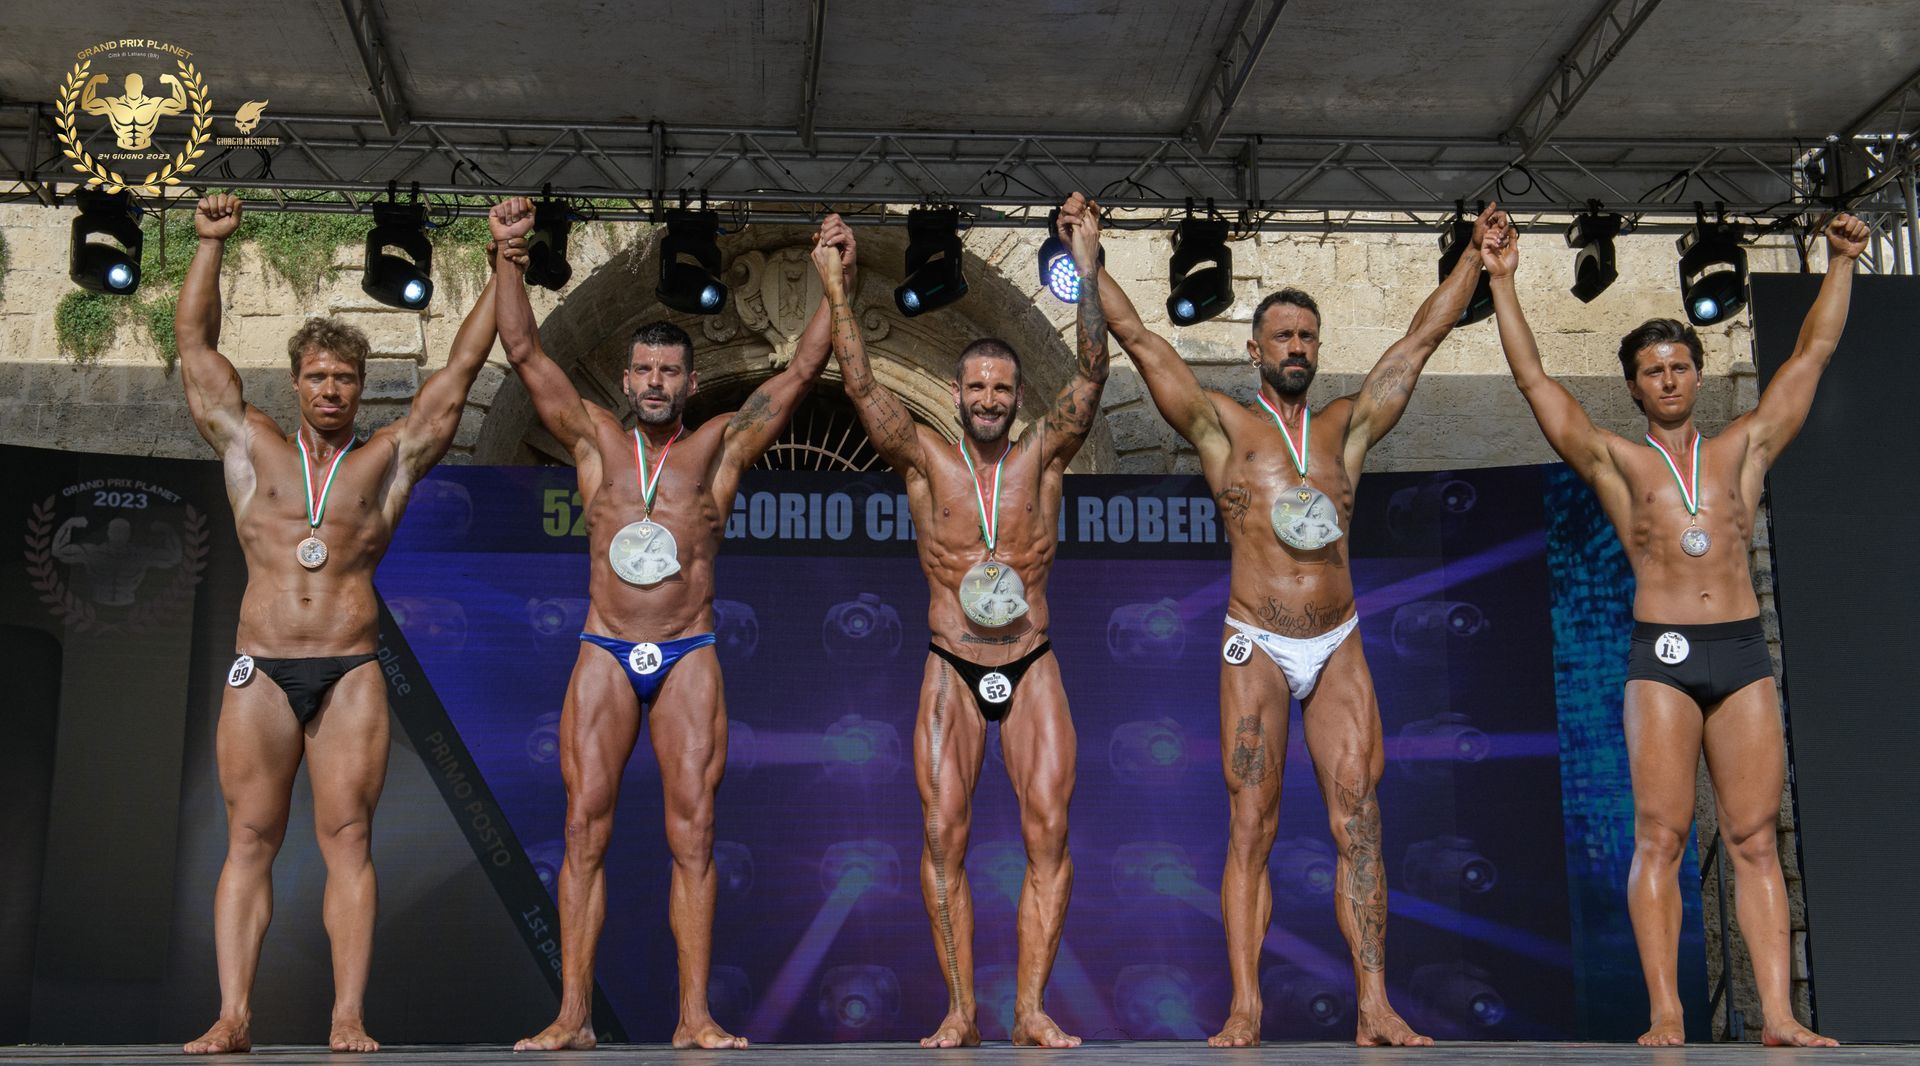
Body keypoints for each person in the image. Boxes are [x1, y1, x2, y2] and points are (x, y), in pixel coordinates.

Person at [1094, 205, 1507, 1047]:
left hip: (1337, 638)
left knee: (1361, 820)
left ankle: (1375, 1005)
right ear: (1255, 350)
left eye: (1307, 337)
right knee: (1253, 824)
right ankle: (1245, 1005)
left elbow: (1420, 342)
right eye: (1282, 336)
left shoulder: (1346, 428)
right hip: (1255, 637)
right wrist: (1088, 256)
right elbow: (1140, 340)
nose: (1296, 347)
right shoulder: (1223, 425)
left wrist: (1472, 258)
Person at [1482, 211, 1865, 1048]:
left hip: (1740, 651)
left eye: (1679, 366)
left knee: (1755, 839)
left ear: (1697, 373)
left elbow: (1812, 355)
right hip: (1662, 657)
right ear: (1633, 387)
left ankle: (1778, 1016)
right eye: (1652, 371)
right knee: (1659, 835)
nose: (1667, 380)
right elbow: (1536, 383)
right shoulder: (1619, 464)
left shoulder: (1744, 450)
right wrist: (1504, 283)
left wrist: (1839, 262)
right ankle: (1666, 1010)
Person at [497, 199, 844, 1051]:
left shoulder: (720, 445)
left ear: (690, 383)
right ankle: (573, 1016)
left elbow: (802, 372)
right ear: (626, 380)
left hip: (687, 649)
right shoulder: (592, 442)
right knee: (584, 828)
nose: (654, 383)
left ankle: (694, 1016)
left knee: (694, 832)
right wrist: (507, 256)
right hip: (605, 646)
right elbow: (524, 351)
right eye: (643, 371)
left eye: (668, 373)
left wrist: (836, 280)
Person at [174, 193, 504, 1053]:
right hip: (261, 667)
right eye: (318, 376)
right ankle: (233, 1016)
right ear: (296, 382)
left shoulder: (387, 459)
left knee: (350, 837)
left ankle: (347, 1015)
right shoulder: (251, 446)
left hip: (350, 669)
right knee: (250, 837)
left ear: (362, 387)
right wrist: (209, 244)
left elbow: (461, 373)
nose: (331, 390)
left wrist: (504, 262)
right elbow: (196, 350)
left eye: (345, 378)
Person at [813, 194, 1109, 1049]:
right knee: (943, 835)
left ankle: (1030, 1010)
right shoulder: (923, 461)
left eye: (1002, 388)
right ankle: (960, 1010)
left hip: (1030, 661)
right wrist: (836, 290)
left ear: (1018, 397)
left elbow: (1091, 376)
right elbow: (861, 385)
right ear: (955, 392)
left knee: (1049, 832)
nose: (988, 398)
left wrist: (1088, 267)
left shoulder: (1043, 457)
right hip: (952, 662)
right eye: (976, 386)